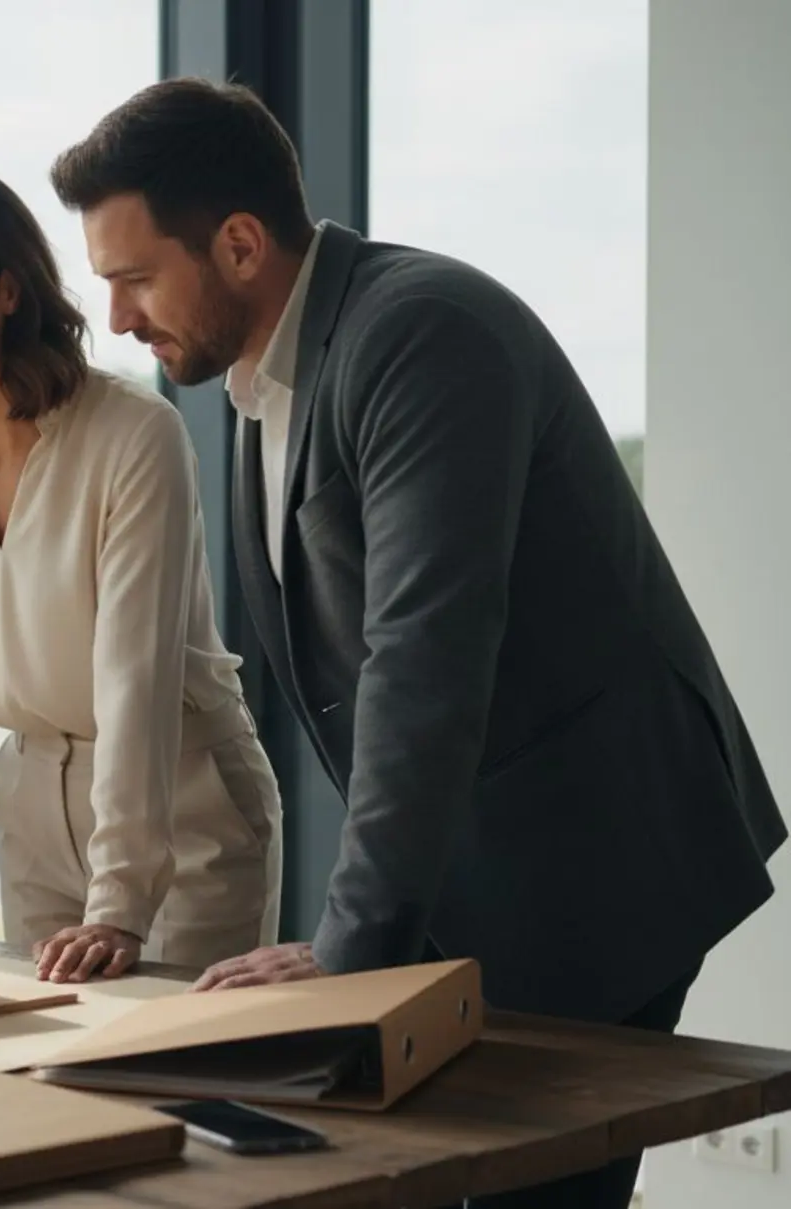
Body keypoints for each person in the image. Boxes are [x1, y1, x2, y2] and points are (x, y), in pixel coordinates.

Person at [51, 77, 785, 1209]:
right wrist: (363, 934)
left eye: (135, 278)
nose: (118, 318)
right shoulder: (263, 380)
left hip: (598, 858)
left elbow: (421, 659)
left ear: (239, 244)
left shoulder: (419, 331)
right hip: (486, 870)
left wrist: (354, 955)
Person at [0, 164, 282, 983]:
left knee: (188, 1078)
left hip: (183, 807)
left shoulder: (134, 436)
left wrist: (118, 901)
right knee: (48, 1073)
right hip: (30, 802)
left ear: (7, 290)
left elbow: (135, 680)